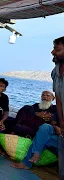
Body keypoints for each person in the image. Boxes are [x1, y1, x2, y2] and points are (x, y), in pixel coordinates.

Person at [51, 36, 64, 179]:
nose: (53, 52)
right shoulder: (55, 71)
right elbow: (58, 99)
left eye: (57, 49)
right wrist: (61, 122)